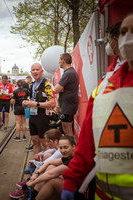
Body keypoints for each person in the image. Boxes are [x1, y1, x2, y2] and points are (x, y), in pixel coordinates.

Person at [61, 12, 133, 200]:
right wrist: (72, 179)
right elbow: (87, 138)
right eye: (124, 32)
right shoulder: (104, 87)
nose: (128, 38)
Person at [9, 129, 63, 199]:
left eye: (48, 141)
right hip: (62, 174)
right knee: (46, 156)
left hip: (64, 178)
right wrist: (39, 154)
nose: (46, 144)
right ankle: (29, 185)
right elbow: (48, 152)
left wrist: (34, 162)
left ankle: (28, 186)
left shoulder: (60, 151)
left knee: (47, 167)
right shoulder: (58, 147)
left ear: (56, 141)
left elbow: (43, 164)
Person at [27, 136, 76, 200]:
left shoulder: (73, 160)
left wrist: (33, 183)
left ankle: (33, 197)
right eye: (60, 148)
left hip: (77, 193)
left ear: (73, 147)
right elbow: (49, 163)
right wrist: (36, 173)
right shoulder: (69, 156)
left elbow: (51, 174)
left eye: (65, 147)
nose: (63, 150)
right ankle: (33, 195)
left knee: (52, 180)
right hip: (72, 184)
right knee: (50, 167)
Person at [22, 63, 55, 153]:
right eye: (33, 70)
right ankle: (36, 164)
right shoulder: (32, 84)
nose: (35, 72)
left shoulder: (46, 84)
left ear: (41, 71)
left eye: (37, 70)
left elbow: (52, 103)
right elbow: (32, 98)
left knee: (45, 143)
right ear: (31, 72)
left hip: (42, 116)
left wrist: (36, 104)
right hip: (32, 116)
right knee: (35, 142)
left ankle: (46, 164)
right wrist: (26, 102)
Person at [54, 53, 79, 137]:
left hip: (68, 106)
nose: (58, 62)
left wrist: (60, 88)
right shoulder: (70, 72)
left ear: (63, 61)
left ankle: (71, 149)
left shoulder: (68, 73)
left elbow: (56, 89)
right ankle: (70, 148)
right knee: (66, 129)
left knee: (67, 130)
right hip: (68, 105)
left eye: (59, 60)